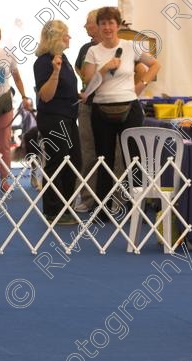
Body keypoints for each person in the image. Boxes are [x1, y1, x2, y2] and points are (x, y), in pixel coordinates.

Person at [82, 7, 160, 220]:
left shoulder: (131, 46)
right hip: (101, 109)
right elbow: (89, 83)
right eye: (103, 23)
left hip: (130, 108)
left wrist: (141, 85)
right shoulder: (93, 51)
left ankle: (137, 210)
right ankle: (103, 209)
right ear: (98, 27)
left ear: (118, 25)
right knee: (104, 159)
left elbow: (154, 64)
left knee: (133, 159)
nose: (107, 27)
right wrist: (104, 68)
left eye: (111, 23)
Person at [33, 20, 81, 225]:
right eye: (66, 35)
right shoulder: (44, 62)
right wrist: (55, 72)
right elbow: (46, 95)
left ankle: (67, 206)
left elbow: (65, 90)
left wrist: (79, 95)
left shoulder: (64, 59)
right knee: (57, 162)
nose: (69, 38)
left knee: (74, 162)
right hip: (53, 118)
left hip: (69, 117)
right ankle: (53, 210)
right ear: (56, 38)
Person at [0, 22, 33, 192]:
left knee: (4, 144)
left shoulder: (8, 56)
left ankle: (4, 179)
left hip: (4, 105)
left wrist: (25, 96)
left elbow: (17, 78)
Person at [74, 9, 100, 213]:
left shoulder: (118, 46)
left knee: (114, 155)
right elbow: (78, 69)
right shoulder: (85, 49)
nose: (84, 26)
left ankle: (112, 199)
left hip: (110, 106)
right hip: (88, 106)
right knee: (88, 153)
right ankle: (88, 198)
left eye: (87, 23)